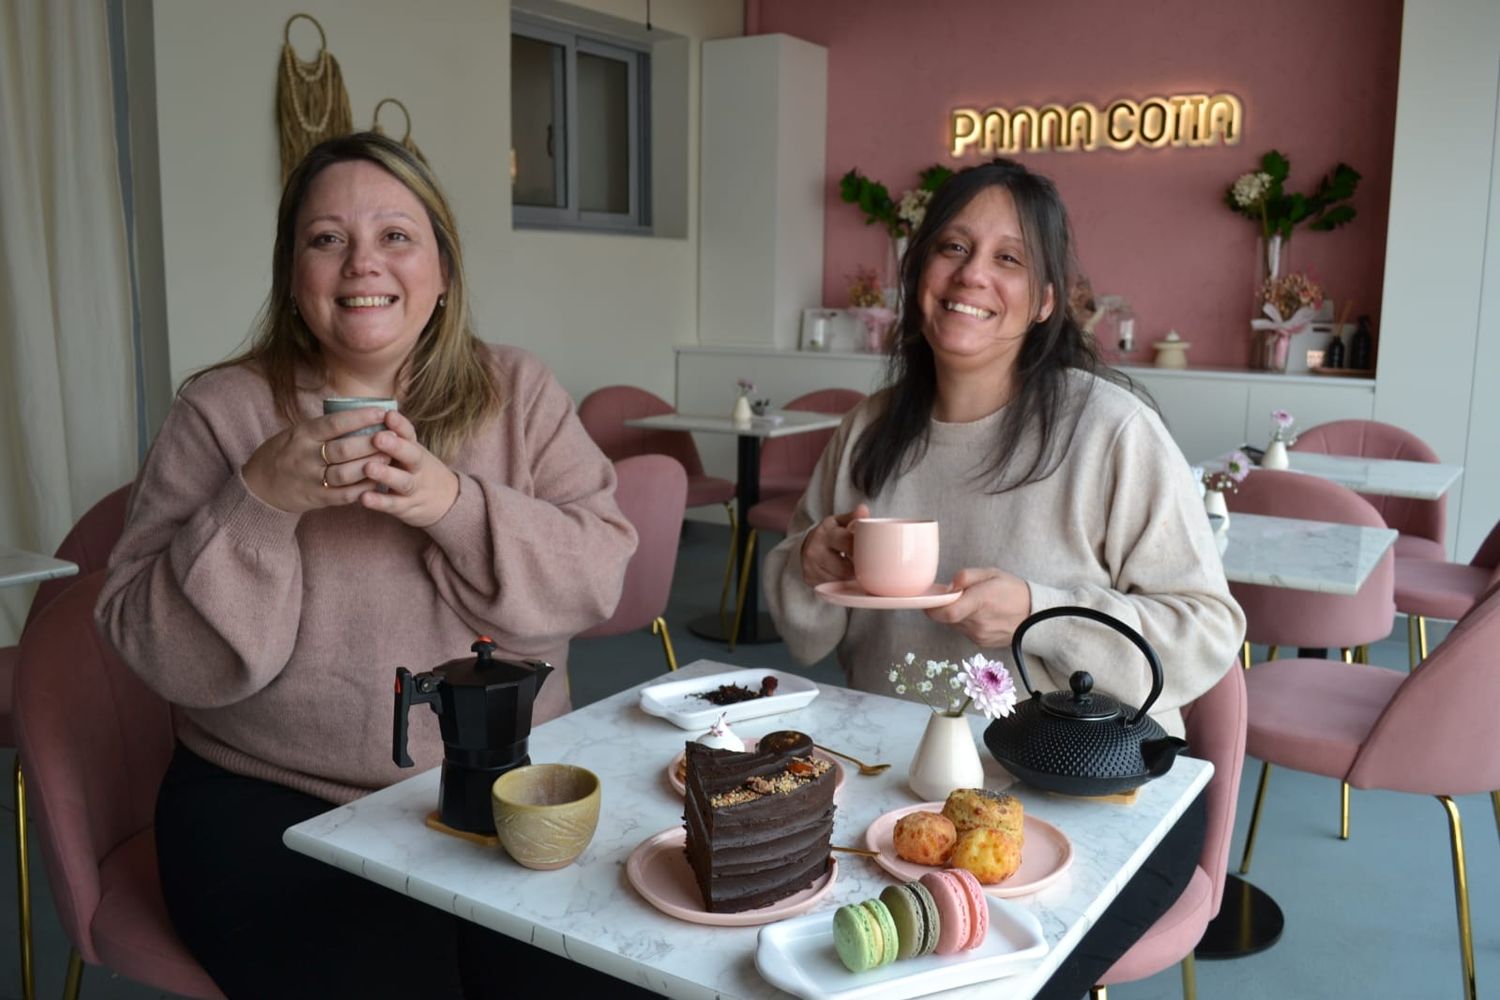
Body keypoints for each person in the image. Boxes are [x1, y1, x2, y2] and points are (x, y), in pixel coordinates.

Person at [95, 132, 639, 999]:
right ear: (292, 273)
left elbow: (596, 576)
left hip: (508, 786)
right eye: (326, 239)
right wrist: (258, 500)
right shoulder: (222, 408)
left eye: (395, 236)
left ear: (443, 270)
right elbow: (150, 645)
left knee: (614, 977)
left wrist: (450, 505)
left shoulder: (518, 392)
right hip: (269, 802)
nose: (361, 265)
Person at [764, 158, 1245, 998]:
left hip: (1088, 802)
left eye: (1010, 259)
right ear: (917, 274)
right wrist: (809, 559)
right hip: (896, 800)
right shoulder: (871, 429)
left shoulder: (1108, 430)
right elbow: (809, 635)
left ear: (1049, 298)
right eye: (951, 246)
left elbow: (1210, 628)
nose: (972, 275)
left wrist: (1041, 612)